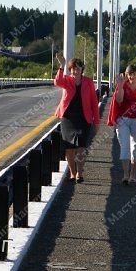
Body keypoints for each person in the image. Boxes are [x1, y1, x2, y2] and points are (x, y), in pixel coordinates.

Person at [54, 53, 100, 183]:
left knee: (81, 147)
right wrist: (61, 65)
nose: (76, 71)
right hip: (68, 118)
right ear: (71, 70)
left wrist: (96, 122)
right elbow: (57, 81)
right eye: (74, 68)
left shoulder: (88, 82)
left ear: (82, 70)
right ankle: (72, 173)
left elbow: (93, 103)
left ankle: (80, 173)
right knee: (69, 148)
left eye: (79, 68)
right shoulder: (67, 80)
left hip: (83, 118)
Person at [107, 64, 136, 184]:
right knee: (125, 146)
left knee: (135, 148)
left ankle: (133, 174)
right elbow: (119, 100)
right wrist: (119, 86)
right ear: (126, 75)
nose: (132, 76)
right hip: (124, 119)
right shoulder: (123, 85)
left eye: (134, 73)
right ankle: (125, 175)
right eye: (129, 74)